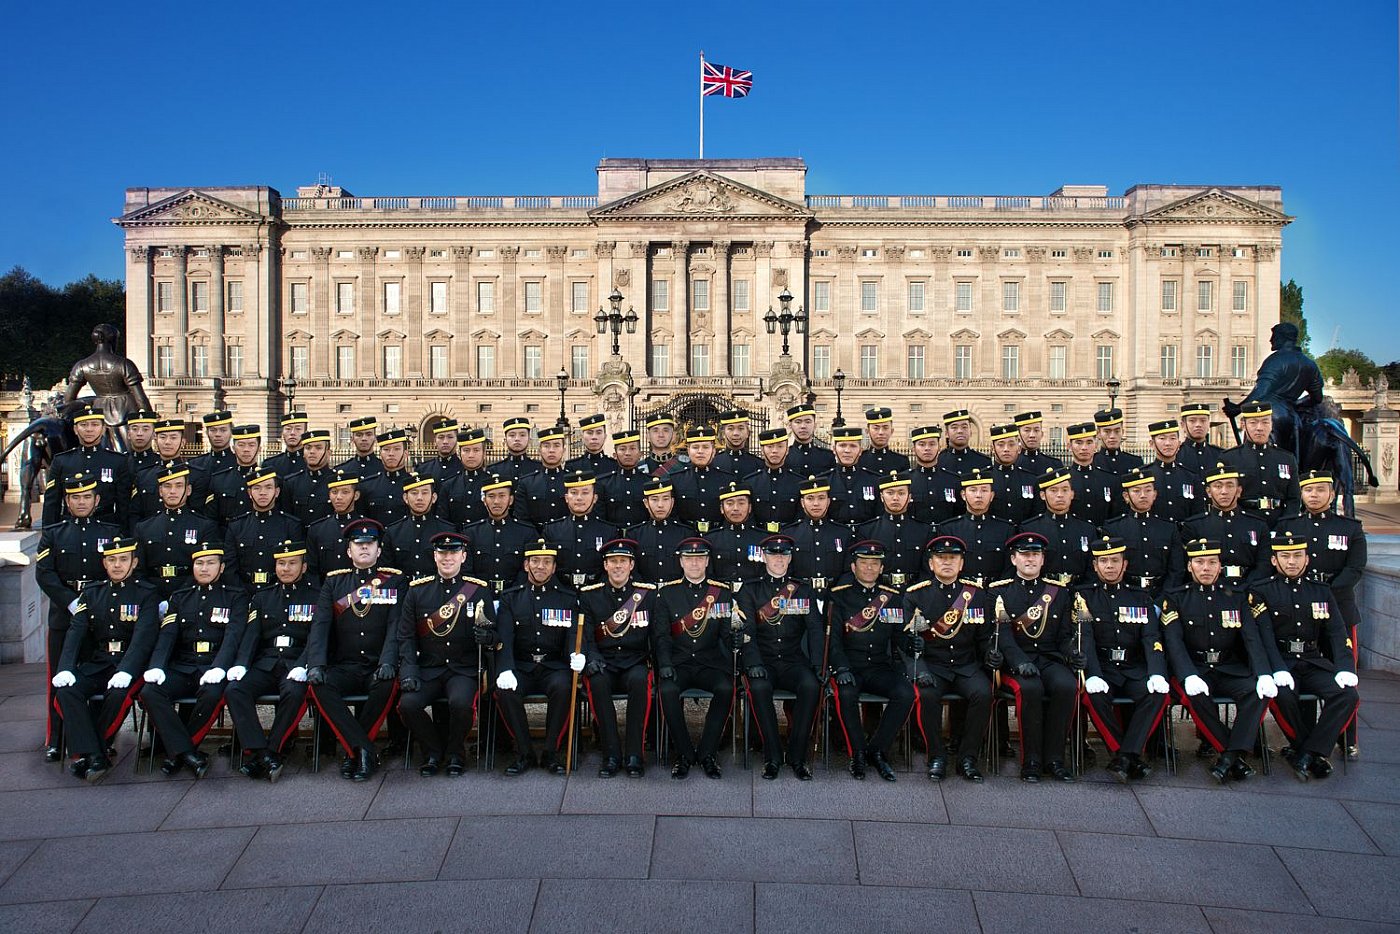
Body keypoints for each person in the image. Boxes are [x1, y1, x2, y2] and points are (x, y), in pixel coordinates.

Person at [1161, 537, 1275, 783]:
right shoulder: (1176, 598)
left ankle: (1229, 756)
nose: (1205, 568)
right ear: (1189, 566)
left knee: (1257, 693)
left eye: (1212, 562)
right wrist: (1187, 674)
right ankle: (1232, 753)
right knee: (1196, 697)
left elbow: (1251, 639)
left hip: (1228, 668)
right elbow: (1174, 642)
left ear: (1220, 567)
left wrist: (1264, 672)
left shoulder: (1236, 596)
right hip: (1195, 669)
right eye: (1199, 562)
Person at [1250, 532, 1359, 780]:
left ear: (1307, 559)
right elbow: (1263, 637)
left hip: (1311, 659)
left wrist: (1344, 667)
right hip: (1282, 661)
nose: (1292, 562)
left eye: (1298, 556)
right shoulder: (1261, 591)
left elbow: (1336, 632)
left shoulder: (1320, 591)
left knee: (1347, 695)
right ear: (1275, 561)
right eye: (1285, 556)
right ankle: (1309, 749)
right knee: (1283, 696)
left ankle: (1308, 751)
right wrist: (1276, 669)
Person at [49, 536, 159, 782]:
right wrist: (65, 667)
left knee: (118, 696)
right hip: (99, 663)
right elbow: (75, 632)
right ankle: (96, 754)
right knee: (67, 691)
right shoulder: (92, 593)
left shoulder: (146, 594)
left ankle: (89, 753)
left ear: (134, 562)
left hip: (131, 666)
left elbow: (144, 638)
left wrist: (127, 670)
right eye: (111, 560)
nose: (117, 565)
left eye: (123, 559)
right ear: (104, 563)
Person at [1274, 469, 1366, 757]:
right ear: (1301, 494)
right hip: (1297, 609)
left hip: (1337, 607)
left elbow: (1354, 569)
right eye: (1309, 490)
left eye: (1321, 490)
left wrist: (1323, 593)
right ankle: (1306, 735)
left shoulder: (1350, 527)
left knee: (1344, 675)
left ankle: (1347, 738)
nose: (1314, 495)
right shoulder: (1289, 525)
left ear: (1332, 493)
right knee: (1304, 669)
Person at [306, 519, 405, 782]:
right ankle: (364, 750)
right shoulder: (334, 584)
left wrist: (388, 661)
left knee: (387, 684)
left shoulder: (394, 581)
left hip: (377, 665)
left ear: (378, 550)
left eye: (370, 544)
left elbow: (397, 625)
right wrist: (315, 662)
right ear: (349, 551)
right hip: (346, 666)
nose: (364, 549)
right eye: (358, 545)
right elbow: (321, 625)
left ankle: (355, 753)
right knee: (319, 685)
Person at [35, 472, 124, 760]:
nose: (81, 502)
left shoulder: (111, 532)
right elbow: (45, 574)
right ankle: (55, 739)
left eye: (87, 497)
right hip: (65, 616)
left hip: (99, 618)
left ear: (97, 500)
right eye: (75, 497)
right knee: (59, 680)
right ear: (67, 501)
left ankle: (98, 738)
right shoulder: (53, 533)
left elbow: (115, 572)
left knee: (98, 675)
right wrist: (71, 603)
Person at [141, 541, 249, 779]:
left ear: (221, 568)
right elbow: (167, 636)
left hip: (214, 665)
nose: (204, 568)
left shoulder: (236, 597)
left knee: (211, 693)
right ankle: (188, 752)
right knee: (150, 691)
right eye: (199, 563)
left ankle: (176, 752)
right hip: (184, 665)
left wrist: (220, 667)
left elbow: (234, 636)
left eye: (211, 563)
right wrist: (157, 666)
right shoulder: (180, 598)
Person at [397, 532, 495, 777]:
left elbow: (494, 632)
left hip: (462, 669)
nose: (447, 558)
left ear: (463, 556)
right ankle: (432, 752)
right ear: (434, 556)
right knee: (408, 705)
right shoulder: (417, 592)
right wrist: (408, 671)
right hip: (429, 668)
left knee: (461, 704)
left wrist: (488, 638)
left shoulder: (478, 590)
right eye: (442, 553)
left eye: (453, 553)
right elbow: (406, 636)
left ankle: (454, 753)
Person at [1074, 536, 1171, 782]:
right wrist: (1093, 673)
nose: (1109, 566)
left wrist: (1157, 671)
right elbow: (1084, 639)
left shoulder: (1141, 597)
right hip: (1103, 667)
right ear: (1095, 566)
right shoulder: (1083, 597)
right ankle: (1125, 753)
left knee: (1157, 694)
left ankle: (1125, 756)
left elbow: (1151, 637)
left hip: (1133, 667)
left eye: (1115, 561)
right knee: (1093, 695)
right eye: (1103, 561)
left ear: (1124, 564)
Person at [224, 539, 319, 782]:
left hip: (295, 664)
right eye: (281, 563)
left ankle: (272, 750)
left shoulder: (317, 596)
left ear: (304, 567)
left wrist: (304, 664)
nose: (285, 569)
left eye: (292, 563)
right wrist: (241, 663)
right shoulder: (262, 597)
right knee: (235, 689)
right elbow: (252, 635)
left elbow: (317, 638)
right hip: (266, 663)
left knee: (295, 692)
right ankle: (259, 751)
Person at [492, 540, 590, 776]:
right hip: (522, 665)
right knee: (505, 691)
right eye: (535, 561)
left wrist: (577, 655)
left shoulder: (567, 598)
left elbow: (572, 635)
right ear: (526, 565)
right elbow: (504, 635)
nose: (540, 567)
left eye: (547, 562)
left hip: (553, 666)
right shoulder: (510, 598)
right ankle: (524, 752)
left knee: (563, 686)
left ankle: (551, 752)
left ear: (554, 568)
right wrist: (505, 668)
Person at [902, 535, 994, 783]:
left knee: (983, 693)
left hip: (966, 664)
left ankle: (968, 757)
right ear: (931, 564)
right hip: (933, 665)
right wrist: (919, 669)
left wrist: (992, 654)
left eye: (952, 558)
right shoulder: (916, 596)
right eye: (941, 558)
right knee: (927, 694)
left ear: (961, 564)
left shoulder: (976, 595)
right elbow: (908, 644)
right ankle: (937, 756)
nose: (946, 563)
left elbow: (984, 637)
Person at [990, 532, 1080, 782]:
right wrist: (1019, 662)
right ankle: (1031, 760)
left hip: (1049, 659)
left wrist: (1072, 652)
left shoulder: (1059, 592)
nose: (1030, 559)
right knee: (1030, 690)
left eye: (1035, 555)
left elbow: (1064, 636)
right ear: (1014, 559)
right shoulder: (1000, 592)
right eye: (1025, 554)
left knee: (1066, 685)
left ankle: (1054, 759)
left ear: (1042, 560)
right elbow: (1002, 636)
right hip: (1016, 662)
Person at [737, 534, 825, 780]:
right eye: (774, 554)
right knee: (760, 688)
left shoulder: (803, 589)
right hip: (763, 661)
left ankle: (798, 757)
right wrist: (752, 663)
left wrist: (818, 664)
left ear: (790, 557)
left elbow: (816, 628)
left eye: (784, 554)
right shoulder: (750, 589)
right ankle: (772, 756)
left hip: (793, 660)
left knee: (810, 686)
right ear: (764, 556)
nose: (779, 559)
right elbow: (746, 631)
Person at [827, 540, 914, 781]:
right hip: (850, 666)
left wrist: (912, 644)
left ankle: (877, 750)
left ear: (881, 568)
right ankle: (857, 754)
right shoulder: (838, 597)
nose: (869, 568)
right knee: (846, 694)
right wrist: (841, 667)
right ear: (853, 567)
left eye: (874, 564)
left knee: (905, 693)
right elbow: (832, 639)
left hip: (878, 666)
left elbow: (898, 636)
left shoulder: (892, 597)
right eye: (864, 563)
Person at [653, 537, 737, 779]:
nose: (694, 563)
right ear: (681, 562)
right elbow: (661, 635)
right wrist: (665, 664)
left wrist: (733, 641)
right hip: (678, 663)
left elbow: (724, 633)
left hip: (709, 662)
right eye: (689, 559)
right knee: (667, 691)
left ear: (707, 561)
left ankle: (708, 753)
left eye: (699, 558)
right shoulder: (667, 594)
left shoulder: (720, 593)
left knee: (725, 688)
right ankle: (684, 753)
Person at [578, 538, 657, 777]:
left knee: (640, 681)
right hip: (604, 660)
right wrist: (591, 656)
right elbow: (586, 634)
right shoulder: (590, 596)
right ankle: (611, 753)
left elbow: (656, 634)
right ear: (605, 565)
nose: (618, 566)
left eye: (623, 561)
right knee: (597, 683)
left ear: (632, 565)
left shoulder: (648, 595)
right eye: (613, 561)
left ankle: (634, 754)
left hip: (635, 660)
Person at [134, 464, 221, 598]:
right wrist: (151, 597)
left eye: (179, 486)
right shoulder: (144, 527)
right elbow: (139, 571)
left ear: (188, 490)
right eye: (167, 486)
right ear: (160, 491)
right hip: (153, 595)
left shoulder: (204, 526)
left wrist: (181, 597)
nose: (173, 491)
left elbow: (206, 568)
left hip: (190, 596)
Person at [42, 402, 132, 530]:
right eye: (83, 425)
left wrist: (123, 537)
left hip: (106, 530)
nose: (89, 429)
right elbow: (52, 504)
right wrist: (49, 537)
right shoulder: (61, 461)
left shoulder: (117, 461)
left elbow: (124, 506)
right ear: (75, 429)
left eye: (95, 424)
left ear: (103, 428)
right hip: (70, 530)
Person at [1180, 463, 1272, 588]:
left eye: (1230, 486)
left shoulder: (1257, 525)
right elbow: (1188, 567)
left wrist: (1247, 589)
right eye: (1218, 486)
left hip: (1249, 590)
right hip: (1211, 592)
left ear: (1239, 491)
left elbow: (1264, 564)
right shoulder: (1194, 526)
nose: (1224, 492)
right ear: (1208, 492)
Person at [1101, 468, 1186, 600]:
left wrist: (1163, 600)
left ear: (1155, 494)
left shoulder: (1168, 528)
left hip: (1162, 595)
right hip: (1126, 596)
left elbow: (1176, 570)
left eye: (1148, 490)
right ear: (1126, 496)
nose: (1143, 495)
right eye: (1136, 491)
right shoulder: (1113, 529)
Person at [222, 469, 306, 589]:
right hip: (243, 592)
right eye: (257, 488)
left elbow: (295, 565)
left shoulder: (291, 525)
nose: (263, 493)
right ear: (249, 493)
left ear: (277, 492)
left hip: (277, 593)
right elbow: (230, 568)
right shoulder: (236, 526)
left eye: (268, 487)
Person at [1221, 401, 1302, 524]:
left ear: (1271, 424)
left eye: (1265, 422)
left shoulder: (1286, 458)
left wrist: (1285, 525)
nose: (1259, 428)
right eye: (1253, 423)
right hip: (1243, 523)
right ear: (1244, 424)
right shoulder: (1230, 458)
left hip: (1279, 524)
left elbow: (1294, 498)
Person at [1018, 467, 1099, 586]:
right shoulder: (1030, 529)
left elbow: (1092, 569)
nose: (1060, 495)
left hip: (1079, 592)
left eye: (1065, 490)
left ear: (1072, 494)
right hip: (1045, 594)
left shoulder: (1087, 529)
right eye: (1053, 490)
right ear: (1042, 495)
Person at [936, 470, 1014, 588]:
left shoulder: (1006, 529)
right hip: (961, 593)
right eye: (973, 490)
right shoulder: (949, 529)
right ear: (963, 495)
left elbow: (1010, 567)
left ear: (992, 496)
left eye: (984, 490)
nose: (979, 495)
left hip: (996, 592)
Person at [544, 470, 621, 589]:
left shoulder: (609, 531)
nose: (579, 498)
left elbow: (612, 568)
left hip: (596, 594)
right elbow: (547, 567)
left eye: (585, 493)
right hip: (562, 592)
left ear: (595, 498)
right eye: (574, 493)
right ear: (566, 498)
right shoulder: (552, 530)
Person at [856, 471, 932, 589]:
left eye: (901, 493)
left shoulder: (924, 531)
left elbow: (928, 570)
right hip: (880, 593)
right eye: (890, 493)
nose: (895, 498)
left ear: (909, 497)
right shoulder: (867, 531)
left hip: (914, 592)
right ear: (881, 497)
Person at [463, 476, 537, 592]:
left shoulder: (527, 533)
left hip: (515, 597)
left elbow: (527, 571)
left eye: (502, 496)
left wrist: (511, 595)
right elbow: (466, 571)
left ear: (511, 500)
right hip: (480, 596)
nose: (496, 501)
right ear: (484, 500)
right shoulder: (471, 533)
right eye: (491, 496)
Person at [783, 475, 854, 594]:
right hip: (800, 596)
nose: (816, 503)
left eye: (821, 498)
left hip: (835, 596)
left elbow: (849, 571)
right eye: (810, 498)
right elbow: (785, 571)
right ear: (802, 502)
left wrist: (837, 593)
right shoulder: (789, 534)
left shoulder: (843, 533)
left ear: (828, 501)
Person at [383, 475, 456, 578]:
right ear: (405, 498)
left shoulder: (447, 530)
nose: (419, 498)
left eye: (425, 493)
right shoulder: (393, 532)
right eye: (414, 493)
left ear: (434, 497)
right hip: (402, 591)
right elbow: (386, 573)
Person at [625, 476, 693, 585]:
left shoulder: (686, 534)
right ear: (646, 503)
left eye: (665, 499)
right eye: (654, 499)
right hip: (644, 595)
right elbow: (632, 571)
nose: (660, 505)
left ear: (672, 502)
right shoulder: (634, 535)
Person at [668, 425, 736, 532]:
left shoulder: (727, 480)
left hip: (717, 535)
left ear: (713, 451)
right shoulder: (676, 479)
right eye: (695, 447)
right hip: (686, 535)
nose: (700, 451)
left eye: (705, 447)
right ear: (688, 450)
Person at [707, 482, 768, 588]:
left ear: (749, 508)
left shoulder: (764, 539)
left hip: (755, 598)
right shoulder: (710, 540)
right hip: (722, 596)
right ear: (722, 508)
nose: (735, 508)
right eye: (730, 503)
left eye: (741, 503)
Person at [1064, 421, 1122, 526]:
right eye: (1079, 442)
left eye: (1089, 442)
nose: (1084, 448)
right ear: (1069, 446)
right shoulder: (1064, 480)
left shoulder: (1110, 480)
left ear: (1096, 445)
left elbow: (1117, 517)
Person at [747, 428, 805, 532]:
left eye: (780, 446)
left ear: (787, 450)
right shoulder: (750, 482)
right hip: (759, 538)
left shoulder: (798, 482)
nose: (775, 451)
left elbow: (800, 519)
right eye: (769, 446)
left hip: (789, 538)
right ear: (762, 450)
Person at [206, 424, 264, 527]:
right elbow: (211, 519)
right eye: (241, 445)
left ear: (259, 449)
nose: (246, 449)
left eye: (251, 445)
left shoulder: (267, 481)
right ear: (233, 449)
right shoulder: (219, 479)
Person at [515, 425, 572, 528]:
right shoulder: (527, 483)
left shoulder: (572, 481)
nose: (551, 450)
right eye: (546, 446)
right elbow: (521, 519)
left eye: (556, 445)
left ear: (563, 450)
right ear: (539, 450)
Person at [437, 428, 495, 528]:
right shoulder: (449, 485)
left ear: (484, 453)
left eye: (476, 450)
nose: (471, 455)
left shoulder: (492, 484)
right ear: (459, 454)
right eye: (466, 450)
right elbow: (443, 521)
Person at [359, 429, 417, 528]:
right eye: (386, 449)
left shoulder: (414, 485)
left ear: (406, 454)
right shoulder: (367, 486)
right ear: (380, 454)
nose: (391, 453)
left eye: (397, 449)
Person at [827, 425, 883, 527]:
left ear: (860, 450)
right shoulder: (826, 481)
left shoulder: (874, 481)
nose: (847, 450)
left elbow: (880, 518)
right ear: (834, 449)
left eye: (853, 446)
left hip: (866, 538)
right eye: (842, 445)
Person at [909, 424, 965, 526]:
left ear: (939, 447)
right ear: (913, 448)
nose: (927, 448)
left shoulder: (954, 480)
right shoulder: (906, 481)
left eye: (932, 444)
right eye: (921, 444)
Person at [986, 423, 1041, 525]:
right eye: (1001, 445)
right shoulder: (984, 479)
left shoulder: (1031, 480)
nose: (1006, 449)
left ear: (1019, 448)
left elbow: (1037, 517)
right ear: (992, 449)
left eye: (1011, 444)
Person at [281, 429, 338, 526]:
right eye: (308, 448)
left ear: (329, 453)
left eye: (318, 448)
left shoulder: (337, 481)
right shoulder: (291, 482)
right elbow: (287, 518)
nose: (312, 452)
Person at [599, 429, 652, 528]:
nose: (627, 453)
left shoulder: (649, 482)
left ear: (640, 454)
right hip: (613, 539)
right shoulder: (604, 483)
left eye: (632, 448)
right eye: (622, 449)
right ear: (615, 455)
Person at [784, 402, 836, 477]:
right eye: (798, 422)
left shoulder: (827, 456)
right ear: (790, 426)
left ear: (815, 425)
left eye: (808, 422)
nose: (803, 426)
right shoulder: (784, 457)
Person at [1176, 401, 1225, 476]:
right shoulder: (1176, 455)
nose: (1198, 425)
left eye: (1203, 421)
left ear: (1209, 424)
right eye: (1192, 421)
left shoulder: (1221, 455)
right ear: (1183, 425)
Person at [939, 410, 992, 478]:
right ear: (946, 433)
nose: (960, 431)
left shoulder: (984, 462)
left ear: (970, 432)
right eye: (954, 427)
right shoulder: (938, 461)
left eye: (964, 427)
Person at [1091, 408, 1144, 476]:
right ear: (1098, 434)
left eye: (1117, 431)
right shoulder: (1091, 462)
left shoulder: (1135, 462)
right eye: (1107, 432)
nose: (1112, 436)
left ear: (1123, 432)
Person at [858, 407, 909, 474]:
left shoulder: (901, 461)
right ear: (867, 431)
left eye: (885, 428)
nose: (881, 432)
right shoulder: (859, 460)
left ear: (892, 431)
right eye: (876, 428)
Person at [262, 411, 310, 482]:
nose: (292, 433)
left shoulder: (311, 463)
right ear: (282, 433)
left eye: (298, 429)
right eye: (288, 429)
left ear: (305, 433)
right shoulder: (270, 464)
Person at [490, 416, 540, 484]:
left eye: (522, 435)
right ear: (505, 440)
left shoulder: (539, 468)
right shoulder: (494, 469)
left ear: (529, 439)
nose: (517, 439)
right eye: (512, 435)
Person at [566, 413, 618, 477]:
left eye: (598, 433)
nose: (594, 437)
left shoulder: (615, 465)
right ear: (582, 437)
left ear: (605, 436)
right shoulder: (572, 466)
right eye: (589, 433)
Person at [713, 410, 762, 477]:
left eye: (741, 428)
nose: (736, 433)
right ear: (723, 433)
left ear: (748, 433)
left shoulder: (759, 465)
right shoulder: (713, 463)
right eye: (730, 428)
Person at [334, 416, 384, 481]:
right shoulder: (342, 470)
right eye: (359, 435)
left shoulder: (384, 469)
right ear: (352, 438)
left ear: (375, 437)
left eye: (368, 434)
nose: (364, 439)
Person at [417, 419, 464, 485]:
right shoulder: (423, 470)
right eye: (441, 437)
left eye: (450, 437)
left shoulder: (463, 469)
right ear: (434, 441)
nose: (445, 441)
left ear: (457, 440)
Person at [1014, 411, 1063, 476]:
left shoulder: (1055, 464)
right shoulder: (1013, 463)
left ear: (1042, 434)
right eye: (1027, 430)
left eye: (1036, 430)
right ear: (1018, 435)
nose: (1032, 435)